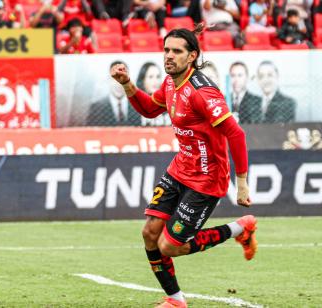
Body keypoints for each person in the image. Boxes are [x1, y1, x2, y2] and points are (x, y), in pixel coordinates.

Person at [110, 24, 257, 308]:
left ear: (191, 56)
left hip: (207, 178)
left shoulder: (203, 93)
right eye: (166, 49)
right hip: (180, 169)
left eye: (176, 51)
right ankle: (176, 300)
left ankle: (241, 228)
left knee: (170, 246)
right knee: (149, 233)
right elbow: (150, 109)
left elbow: (236, 134)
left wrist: (241, 183)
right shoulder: (170, 83)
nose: (169, 56)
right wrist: (127, 84)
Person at [87, 61, 140, 126]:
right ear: (108, 79)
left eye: (123, 78)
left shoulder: (138, 106)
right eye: (114, 78)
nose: (119, 84)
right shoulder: (96, 108)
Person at [137, 62, 171, 126]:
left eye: (158, 77)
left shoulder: (168, 103)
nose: (155, 81)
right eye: (151, 77)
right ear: (143, 80)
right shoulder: (135, 104)